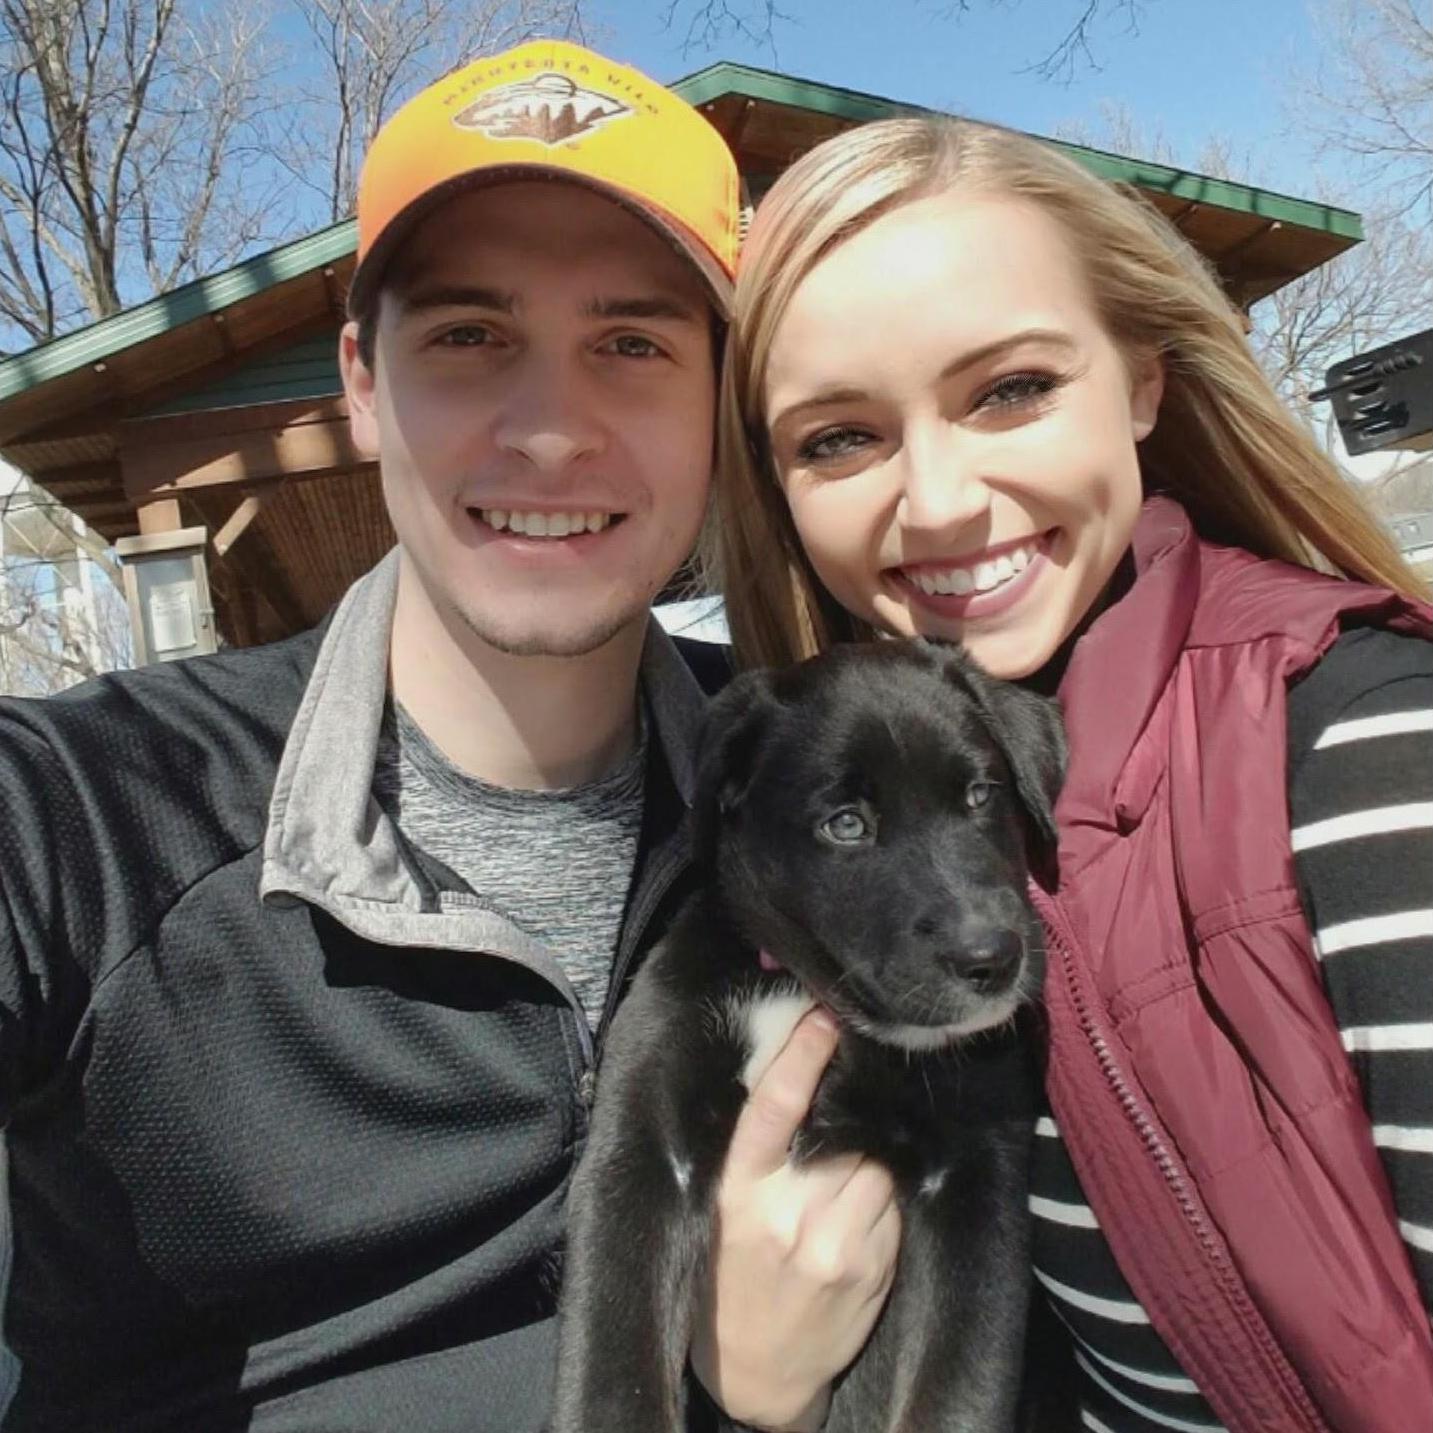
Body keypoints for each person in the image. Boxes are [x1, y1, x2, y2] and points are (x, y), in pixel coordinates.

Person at [0, 36, 816, 1432]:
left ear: (717, 404)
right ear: (363, 385)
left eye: (632, 344)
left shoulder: (815, 785)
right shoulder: (98, 810)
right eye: (469, 337)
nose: (550, 432)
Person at [703, 115, 1433, 1432]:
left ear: (1142, 382)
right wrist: (759, 1386)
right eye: (838, 438)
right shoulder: (810, 814)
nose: (938, 500)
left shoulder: (1363, 750)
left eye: (1009, 389)